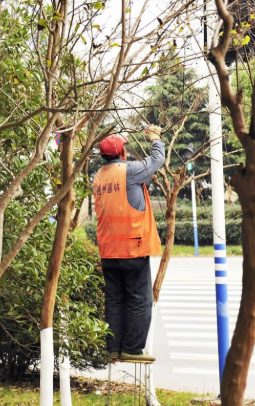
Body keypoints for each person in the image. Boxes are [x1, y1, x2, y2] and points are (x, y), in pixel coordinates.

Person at [93, 126, 164, 362]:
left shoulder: (99, 177)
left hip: (108, 250)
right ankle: (132, 349)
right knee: (138, 299)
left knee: (114, 299)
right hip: (132, 248)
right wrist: (155, 138)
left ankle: (112, 347)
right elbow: (157, 160)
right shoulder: (130, 171)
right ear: (122, 152)